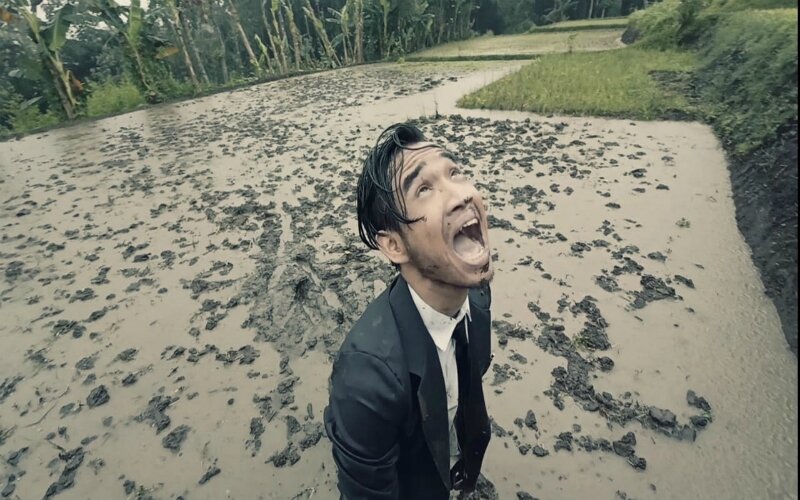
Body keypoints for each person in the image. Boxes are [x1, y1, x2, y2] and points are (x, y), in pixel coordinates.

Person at [323, 122, 495, 500]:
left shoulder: (477, 299)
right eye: (424, 189)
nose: (459, 196)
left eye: (454, 172)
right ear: (394, 246)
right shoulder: (365, 382)